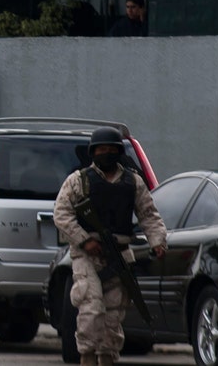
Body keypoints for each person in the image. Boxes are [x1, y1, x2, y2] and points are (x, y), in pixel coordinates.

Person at [53, 127, 167, 366]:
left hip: (120, 255)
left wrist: (158, 242)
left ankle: (106, 358)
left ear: (119, 152)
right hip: (87, 254)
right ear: (93, 152)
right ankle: (86, 357)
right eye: (101, 149)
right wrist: (85, 240)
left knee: (113, 315)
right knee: (91, 308)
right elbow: (62, 214)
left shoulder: (132, 182)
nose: (106, 153)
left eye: (111, 150)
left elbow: (148, 214)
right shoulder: (79, 180)